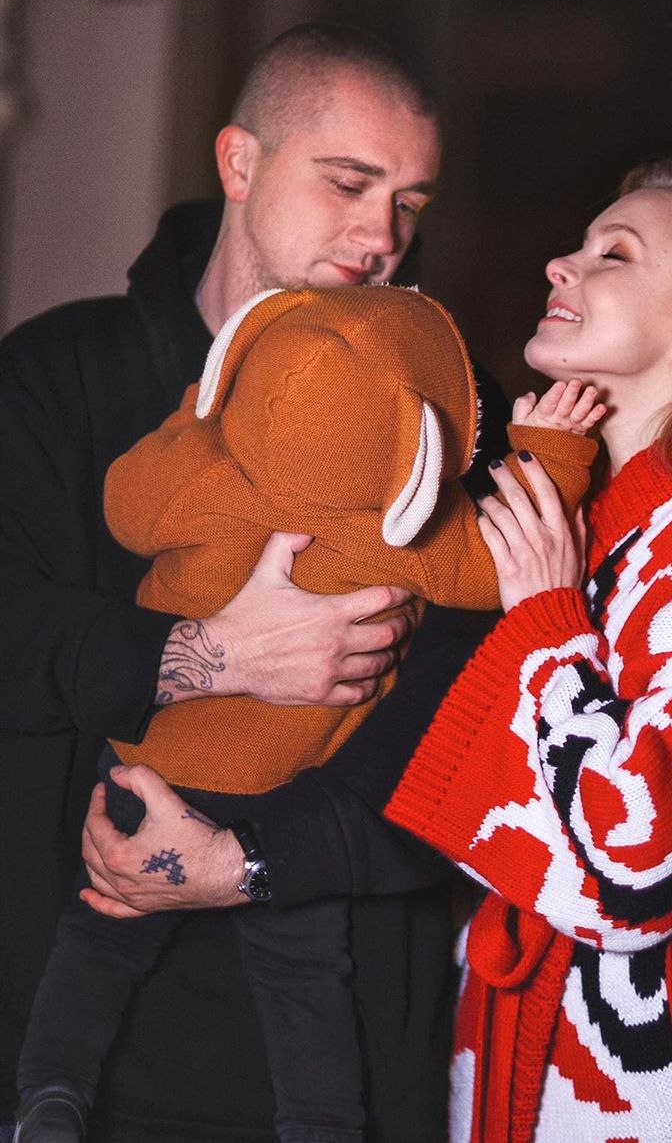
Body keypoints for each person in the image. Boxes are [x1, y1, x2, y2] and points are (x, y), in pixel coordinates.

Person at [81, 157, 672, 1141]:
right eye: (578, 245)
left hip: (667, 1073)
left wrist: (544, 618)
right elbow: (416, 743)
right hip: (509, 1035)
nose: (563, 264)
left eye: (615, 254)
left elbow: (641, 862)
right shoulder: (573, 511)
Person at [0, 22, 504, 1143]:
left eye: (410, 201)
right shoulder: (58, 374)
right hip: (67, 1058)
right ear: (239, 162)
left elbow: (466, 733)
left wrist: (244, 865)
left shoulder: (452, 420)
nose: (382, 235)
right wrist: (211, 655)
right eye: (348, 183)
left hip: (339, 1066)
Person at [15, 281, 603, 1143]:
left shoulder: (206, 478)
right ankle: (321, 1126)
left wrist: (200, 414)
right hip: (283, 795)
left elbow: (125, 501)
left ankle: (50, 1092)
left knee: (98, 935)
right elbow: (495, 565)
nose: (378, 235)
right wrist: (551, 451)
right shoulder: (407, 533)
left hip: (151, 764)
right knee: (306, 983)